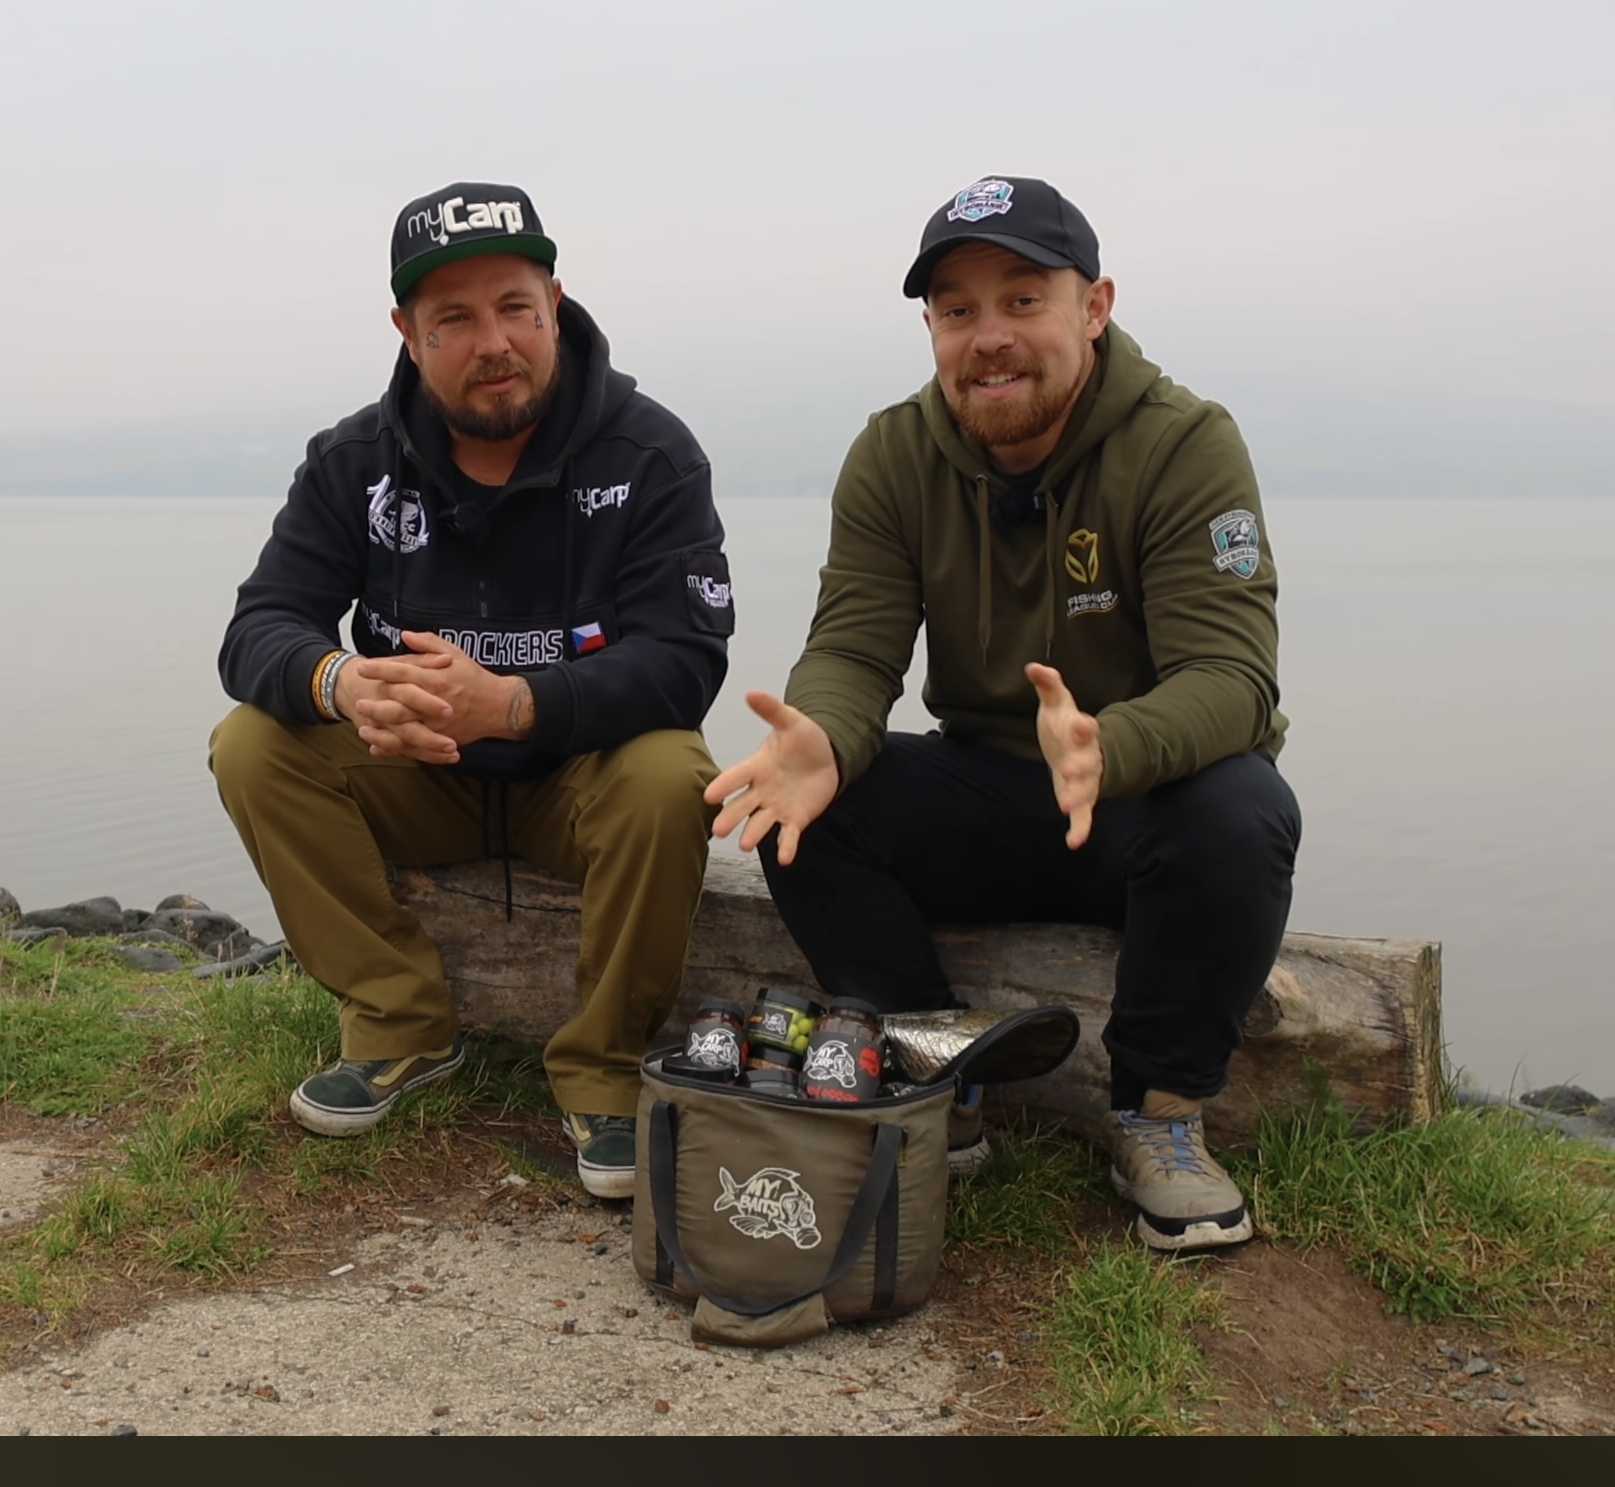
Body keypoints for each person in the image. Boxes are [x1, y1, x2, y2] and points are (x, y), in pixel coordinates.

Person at [704, 175, 1299, 1253]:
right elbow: (854, 647)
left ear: (1094, 307)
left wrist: (1112, 745)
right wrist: (822, 735)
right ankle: (943, 1077)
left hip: (1140, 801)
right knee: (809, 807)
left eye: (1023, 300)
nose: (988, 337)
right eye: (957, 309)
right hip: (989, 787)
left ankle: (1157, 1113)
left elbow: (1231, 676)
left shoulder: (1183, 442)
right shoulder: (894, 452)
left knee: (1242, 809)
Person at [211, 181, 732, 1199]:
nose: (493, 343)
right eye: (453, 318)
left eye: (514, 308)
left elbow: (684, 659)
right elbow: (258, 627)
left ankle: (603, 1070)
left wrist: (520, 703)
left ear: (554, 307)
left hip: (574, 780)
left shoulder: (650, 454)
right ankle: (398, 1021)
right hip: (419, 772)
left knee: (670, 772)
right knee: (252, 744)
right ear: (409, 335)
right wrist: (342, 682)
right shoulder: (351, 461)